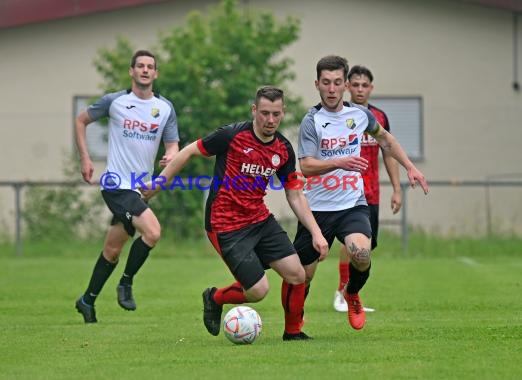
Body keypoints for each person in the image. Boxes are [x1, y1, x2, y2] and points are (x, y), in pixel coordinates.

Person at [143, 86, 329, 341]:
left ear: (283, 113)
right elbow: (189, 151)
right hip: (225, 224)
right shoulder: (232, 135)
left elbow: (295, 194)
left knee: (297, 274)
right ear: (254, 110)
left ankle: (293, 333)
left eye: (276, 114)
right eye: (264, 113)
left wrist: (317, 233)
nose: (270, 120)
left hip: (259, 219)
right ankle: (215, 297)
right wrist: (159, 183)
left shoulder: (283, 148)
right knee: (257, 291)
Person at [293, 55, 428, 330]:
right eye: (326, 83)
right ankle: (296, 315)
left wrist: (410, 167)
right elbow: (306, 167)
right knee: (302, 276)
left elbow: (387, 140)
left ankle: (351, 293)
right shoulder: (311, 121)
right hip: (317, 208)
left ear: (345, 85)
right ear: (317, 84)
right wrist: (339, 162)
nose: (332, 89)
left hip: (352, 204)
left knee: (362, 254)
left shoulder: (360, 115)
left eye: (337, 82)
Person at [74, 49, 179, 323]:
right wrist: (85, 158)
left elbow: (173, 146)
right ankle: (126, 283)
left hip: (139, 189)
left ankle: (87, 300)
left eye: (150, 66)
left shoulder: (165, 108)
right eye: (140, 66)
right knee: (153, 232)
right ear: (132, 71)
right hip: (116, 185)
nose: (145, 70)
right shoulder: (116, 102)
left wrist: (170, 157)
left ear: (155, 73)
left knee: (112, 250)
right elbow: (81, 120)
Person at [332, 65, 402, 313]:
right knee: (351, 239)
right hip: (344, 192)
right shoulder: (339, 115)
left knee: (366, 248)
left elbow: (389, 152)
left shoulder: (378, 119)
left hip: (371, 192)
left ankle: (349, 292)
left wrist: (396, 188)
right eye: (356, 84)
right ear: (348, 86)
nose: (360, 89)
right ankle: (341, 292)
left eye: (365, 85)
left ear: (371, 88)